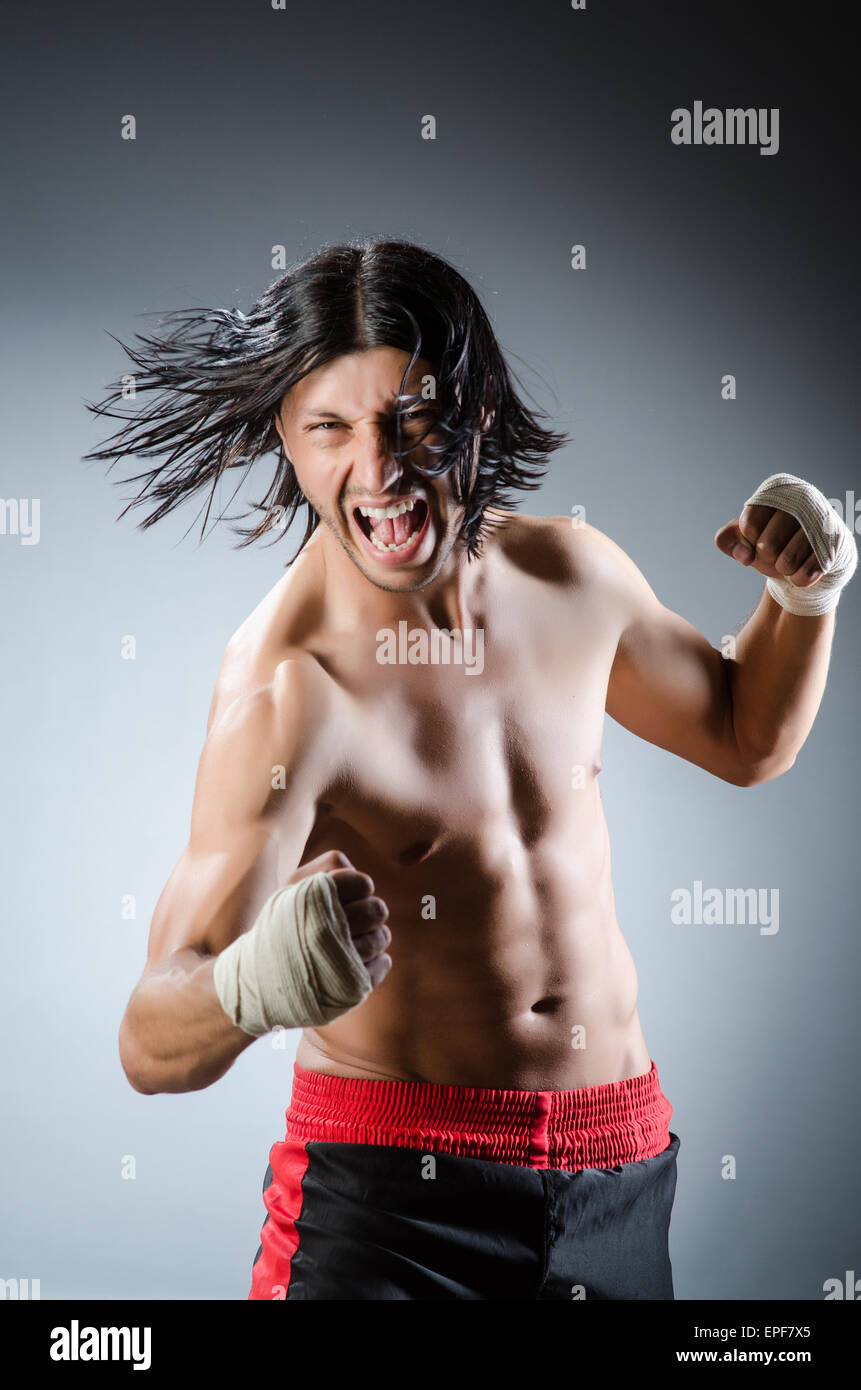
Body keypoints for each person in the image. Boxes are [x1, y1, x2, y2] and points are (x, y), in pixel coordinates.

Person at [84, 237, 856, 1300]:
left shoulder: (571, 576)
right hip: (398, 1212)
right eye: (332, 430)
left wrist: (803, 601)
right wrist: (251, 986)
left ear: (478, 410)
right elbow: (147, 1037)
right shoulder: (288, 687)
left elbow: (742, 736)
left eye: (412, 421)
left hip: (620, 1178)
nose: (379, 469)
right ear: (289, 441)